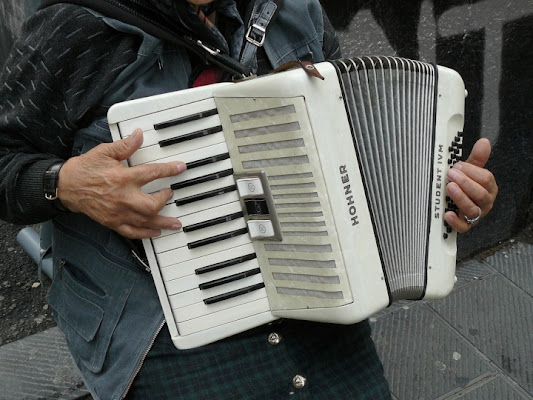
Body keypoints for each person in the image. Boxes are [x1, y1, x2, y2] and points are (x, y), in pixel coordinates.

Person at [0, 0, 498, 399]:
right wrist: (64, 184)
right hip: (155, 318)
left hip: (313, 287)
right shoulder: (75, 27)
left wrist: (439, 193)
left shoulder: (291, 10)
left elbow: (351, 138)